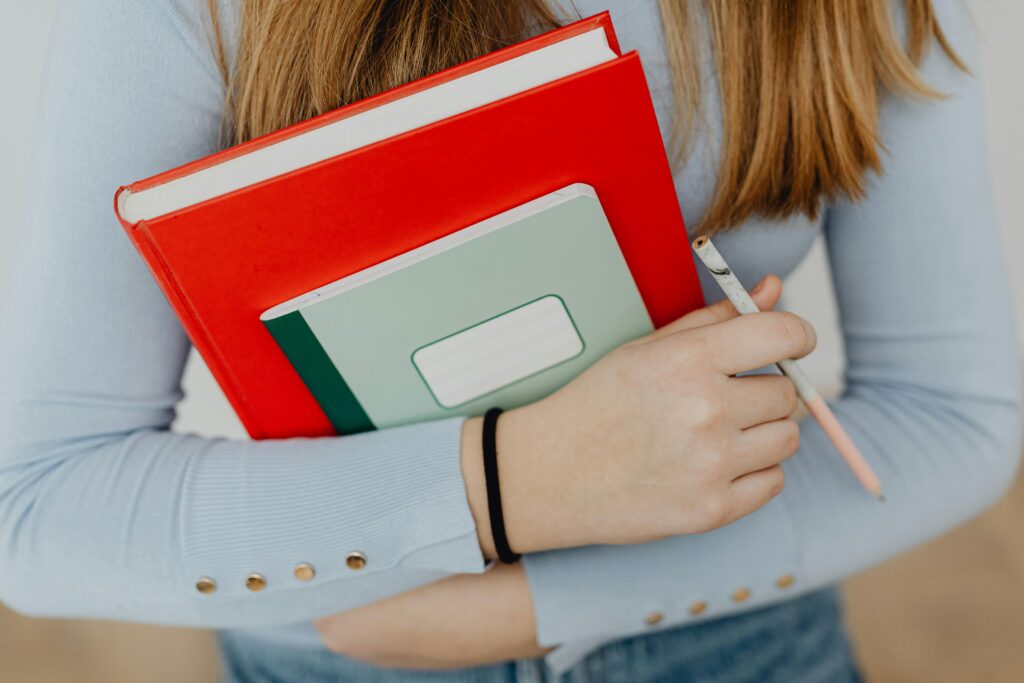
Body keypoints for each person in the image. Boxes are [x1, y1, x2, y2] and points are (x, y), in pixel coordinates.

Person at [0, 1, 1020, 681]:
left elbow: (957, 415)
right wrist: (508, 480)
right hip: (337, 652)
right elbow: (35, 511)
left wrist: (530, 599)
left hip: (744, 637)